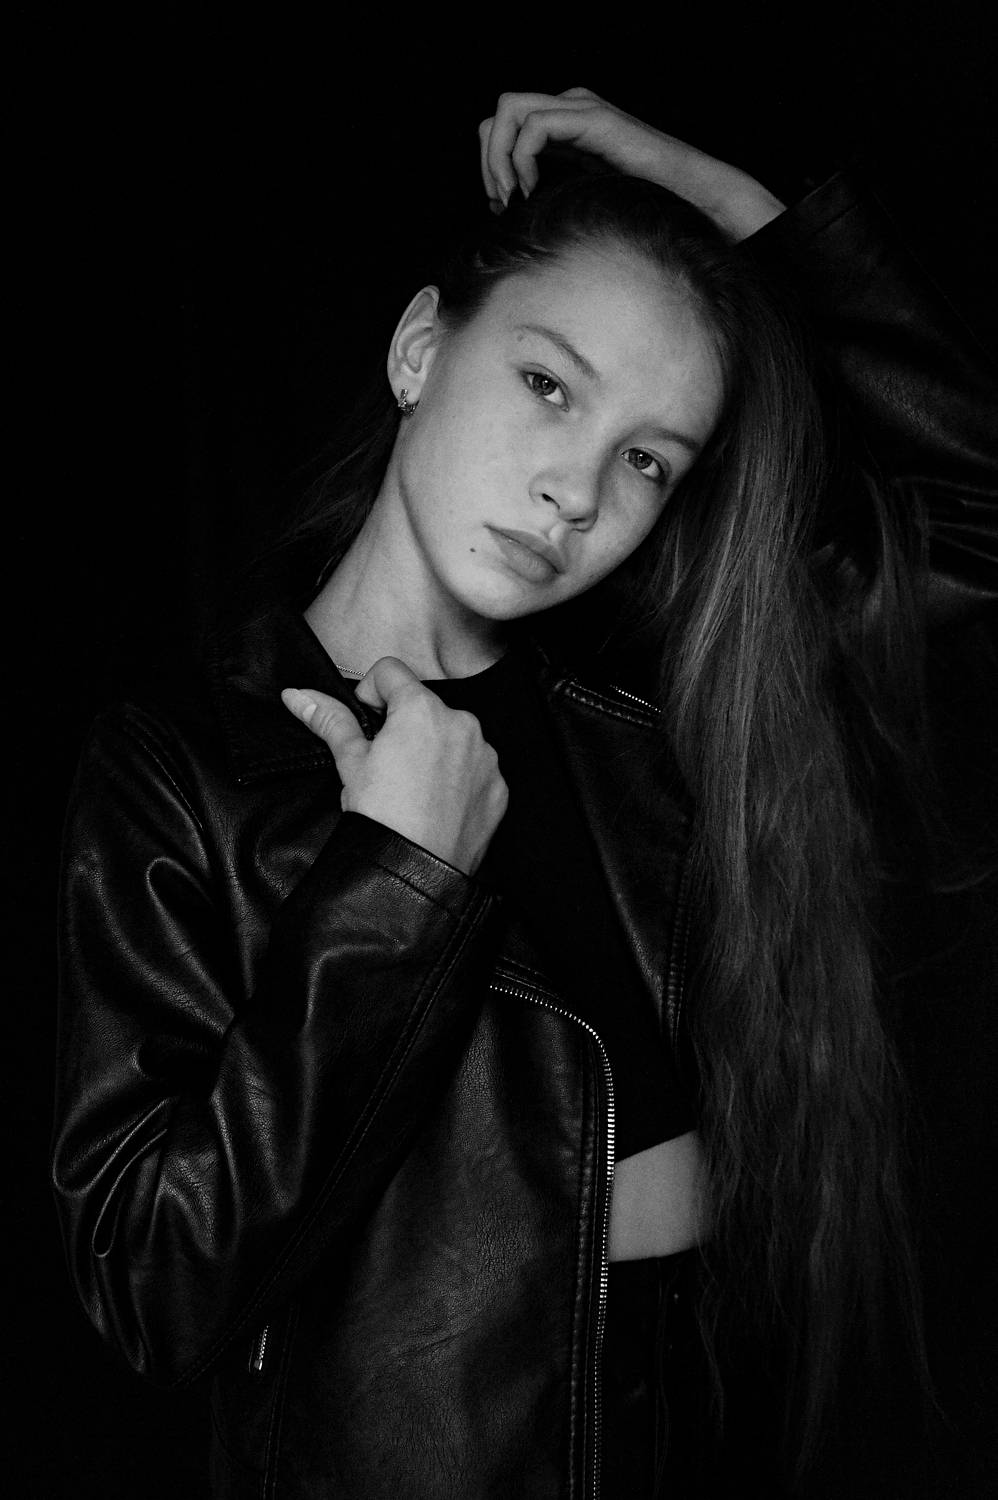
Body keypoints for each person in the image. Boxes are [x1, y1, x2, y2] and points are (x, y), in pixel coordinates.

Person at [52, 89, 997, 1498]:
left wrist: (728, 206)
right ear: (419, 349)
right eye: (549, 385)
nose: (575, 491)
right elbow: (152, 1280)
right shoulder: (191, 767)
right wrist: (396, 881)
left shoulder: (652, 709)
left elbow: (974, 521)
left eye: (647, 458)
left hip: (696, 1436)